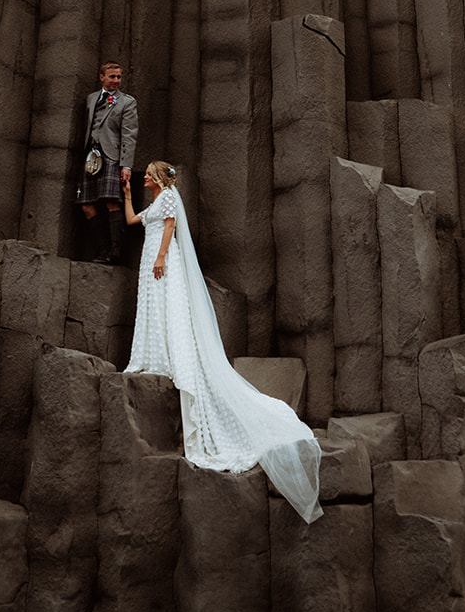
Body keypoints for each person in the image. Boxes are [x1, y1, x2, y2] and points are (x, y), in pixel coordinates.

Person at [122, 161, 322, 523]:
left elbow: (169, 229)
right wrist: (124, 194)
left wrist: (162, 256)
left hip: (161, 260)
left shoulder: (168, 199)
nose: (145, 177)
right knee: (152, 307)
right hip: (151, 261)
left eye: (149, 173)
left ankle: (171, 357)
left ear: (161, 179)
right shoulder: (154, 202)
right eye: (146, 174)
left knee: (168, 309)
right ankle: (153, 354)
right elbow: (133, 221)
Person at [76, 61, 138, 264]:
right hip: (90, 159)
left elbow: (129, 136)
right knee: (86, 206)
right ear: (101, 77)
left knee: (112, 202)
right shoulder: (91, 99)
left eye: (119, 77)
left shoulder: (127, 102)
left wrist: (126, 165)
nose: (116, 81)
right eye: (112, 77)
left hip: (111, 156)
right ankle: (103, 251)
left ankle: (116, 253)